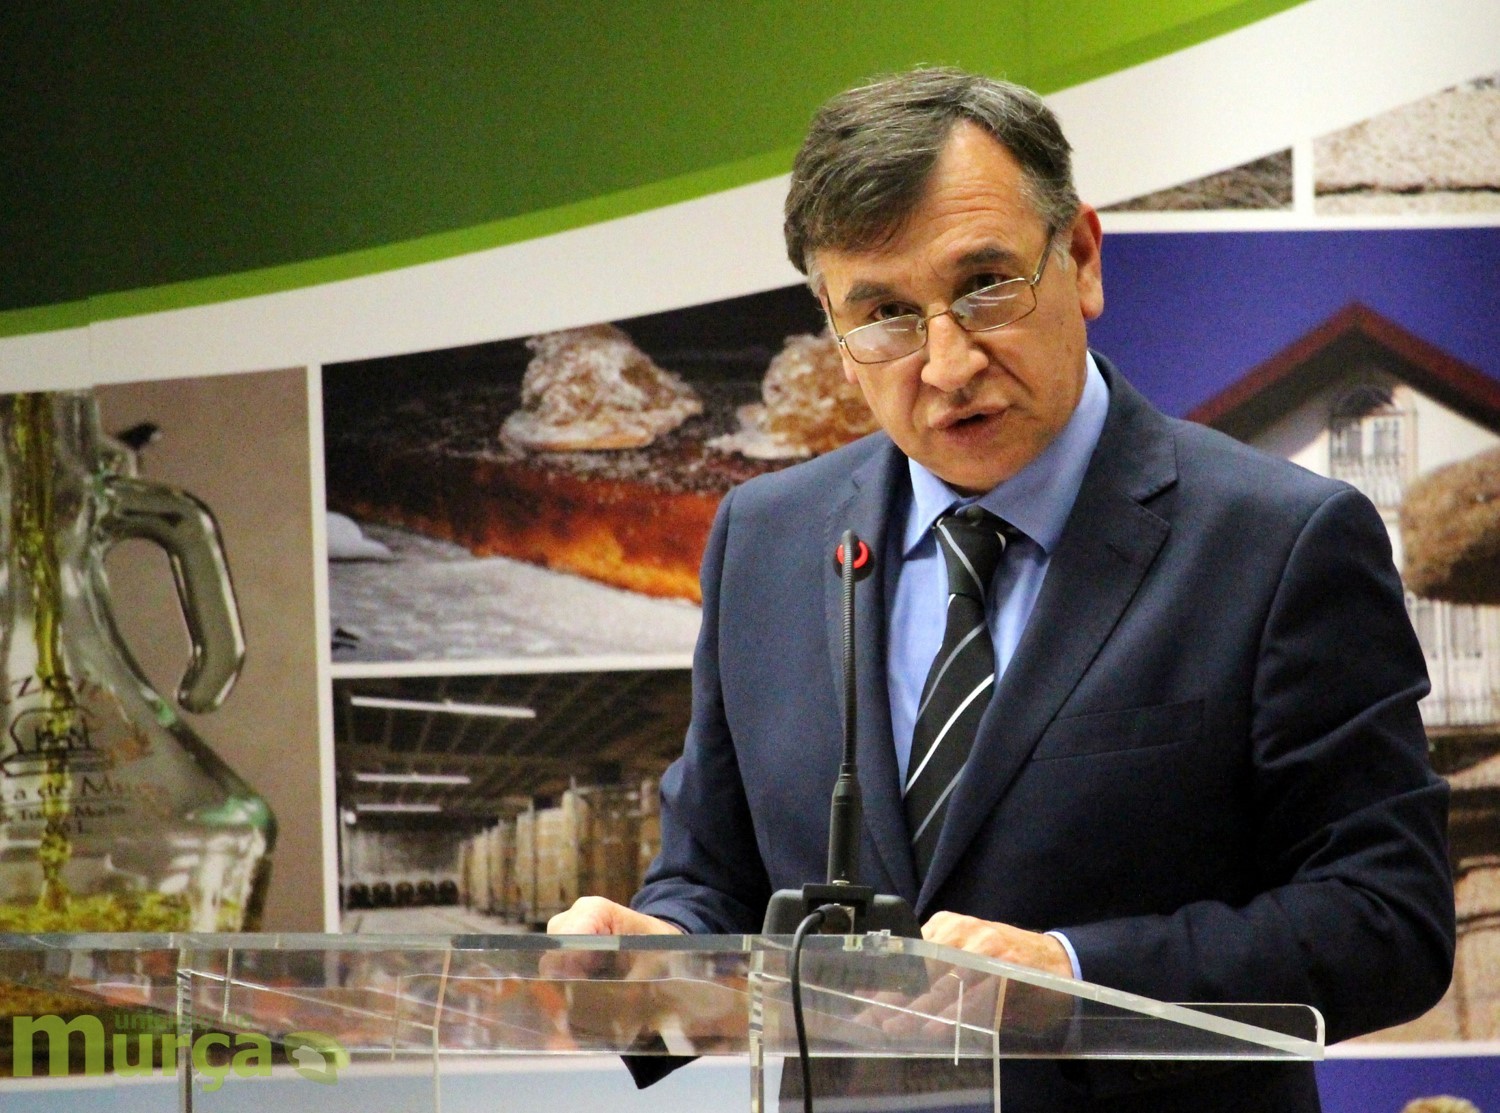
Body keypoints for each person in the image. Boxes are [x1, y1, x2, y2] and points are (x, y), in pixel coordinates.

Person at [548, 67, 1455, 1110]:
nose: (946, 364)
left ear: (1082, 259)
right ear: (835, 334)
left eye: (983, 285)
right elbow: (715, 876)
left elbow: (1387, 921)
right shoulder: (767, 540)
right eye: (885, 314)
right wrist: (652, 958)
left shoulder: (1281, 541)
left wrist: (1072, 979)